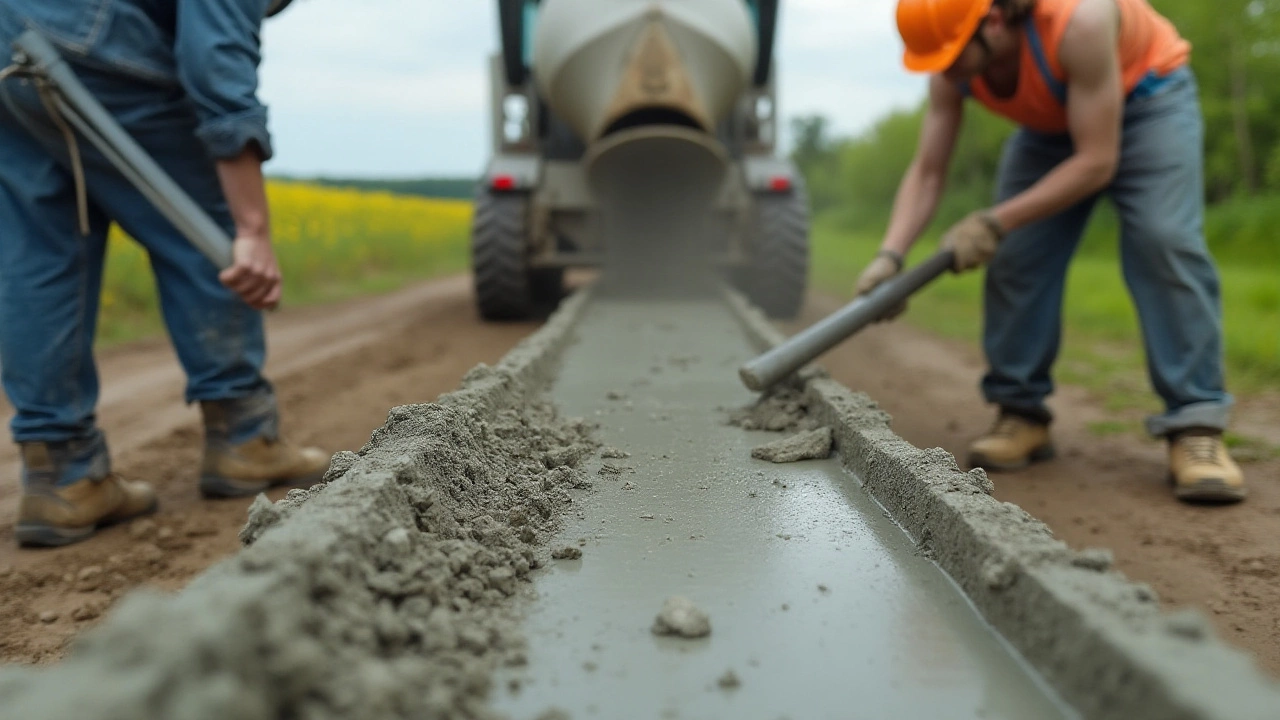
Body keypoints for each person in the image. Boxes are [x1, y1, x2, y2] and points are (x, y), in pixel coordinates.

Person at [856, 0, 1245, 502]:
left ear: (993, 23)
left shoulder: (1081, 20)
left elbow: (1096, 161)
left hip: (1150, 99)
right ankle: (1021, 413)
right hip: (1053, 124)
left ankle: (1196, 427)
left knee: (1163, 240)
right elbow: (929, 171)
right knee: (1017, 255)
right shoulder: (952, 67)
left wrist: (993, 221)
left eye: (950, 57)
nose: (944, 72)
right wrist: (890, 255)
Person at [0, 0, 330, 548]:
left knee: (40, 248)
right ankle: (244, 437)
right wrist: (251, 228)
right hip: (88, 37)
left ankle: (60, 474)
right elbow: (217, 59)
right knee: (203, 221)